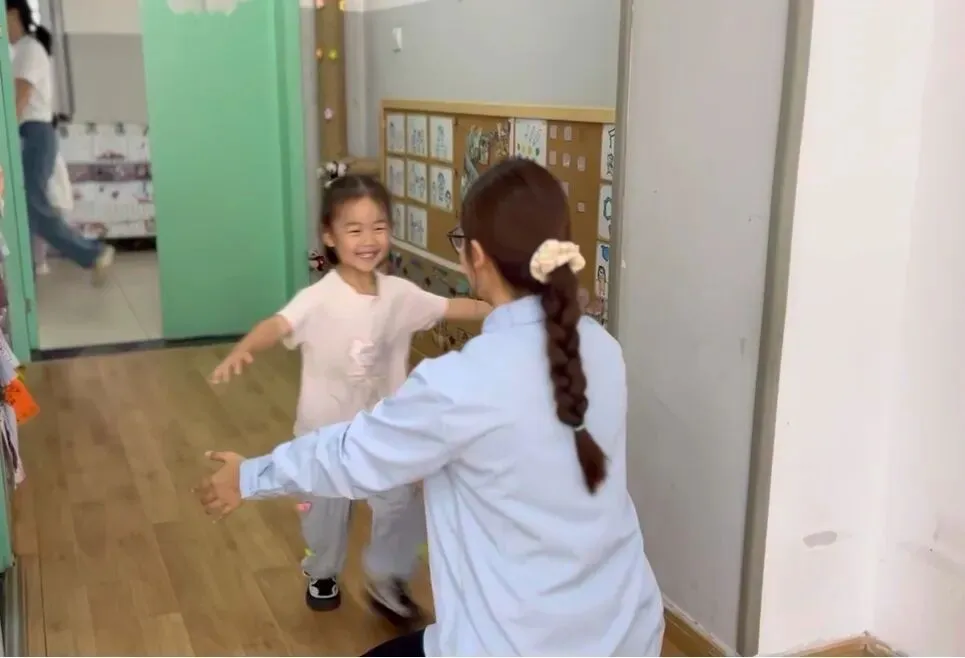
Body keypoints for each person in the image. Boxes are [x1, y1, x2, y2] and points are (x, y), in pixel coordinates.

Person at [198, 158, 665, 656]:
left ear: (475, 256)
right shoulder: (603, 348)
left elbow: (351, 457)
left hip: (515, 645)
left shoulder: (460, 383)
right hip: (630, 633)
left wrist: (248, 475)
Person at [208, 172, 491, 621]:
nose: (368, 239)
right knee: (323, 519)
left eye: (379, 227)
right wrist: (246, 346)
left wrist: (511, 307)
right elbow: (278, 324)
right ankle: (322, 570)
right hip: (323, 437)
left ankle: (387, 580)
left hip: (385, 434)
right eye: (354, 229)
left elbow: (454, 307)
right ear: (329, 235)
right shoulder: (319, 298)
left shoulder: (400, 295)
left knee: (400, 506)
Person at [6, 0, 114, 282]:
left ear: (13, 14)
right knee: (26, 207)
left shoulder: (29, 49)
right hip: (29, 133)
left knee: (32, 204)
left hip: (34, 133)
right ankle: (24, 274)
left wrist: (4, 138)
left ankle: (92, 253)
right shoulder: (19, 51)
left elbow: (22, 97)